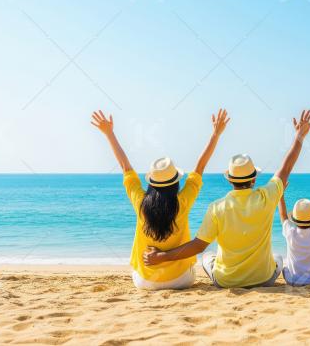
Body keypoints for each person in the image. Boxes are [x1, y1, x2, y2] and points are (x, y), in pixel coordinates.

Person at [144, 110, 310, 288]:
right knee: (278, 258)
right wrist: (300, 135)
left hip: (226, 281)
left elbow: (198, 246)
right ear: (254, 179)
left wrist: (162, 256)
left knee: (207, 257)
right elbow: (286, 166)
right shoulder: (268, 196)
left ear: (230, 179)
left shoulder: (217, 207)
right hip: (264, 279)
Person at [91, 109, 229, 290]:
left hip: (146, 282)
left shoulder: (140, 202)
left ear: (151, 183)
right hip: (181, 280)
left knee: (136, 272)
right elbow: (200, 166)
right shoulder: (183, 202)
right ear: (175, 183)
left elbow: (125, 167)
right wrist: (216, 134)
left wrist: (109, 134)